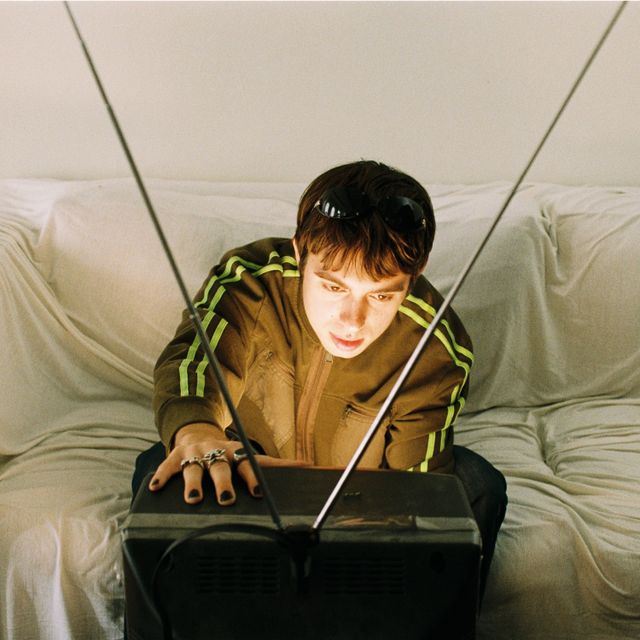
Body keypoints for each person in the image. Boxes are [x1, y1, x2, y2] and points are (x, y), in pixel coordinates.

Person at [132, 160, 507, 601]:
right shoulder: (250, 281)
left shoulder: (435, 346)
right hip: (245, 476)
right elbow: (195, 362)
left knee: (476, 487)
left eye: (381, 295)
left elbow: (419, 496)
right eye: (333, 287)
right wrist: (197, 431)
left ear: (415, 275)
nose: (353, 320)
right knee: (161, 470)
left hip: (366, 495)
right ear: (299, 253)